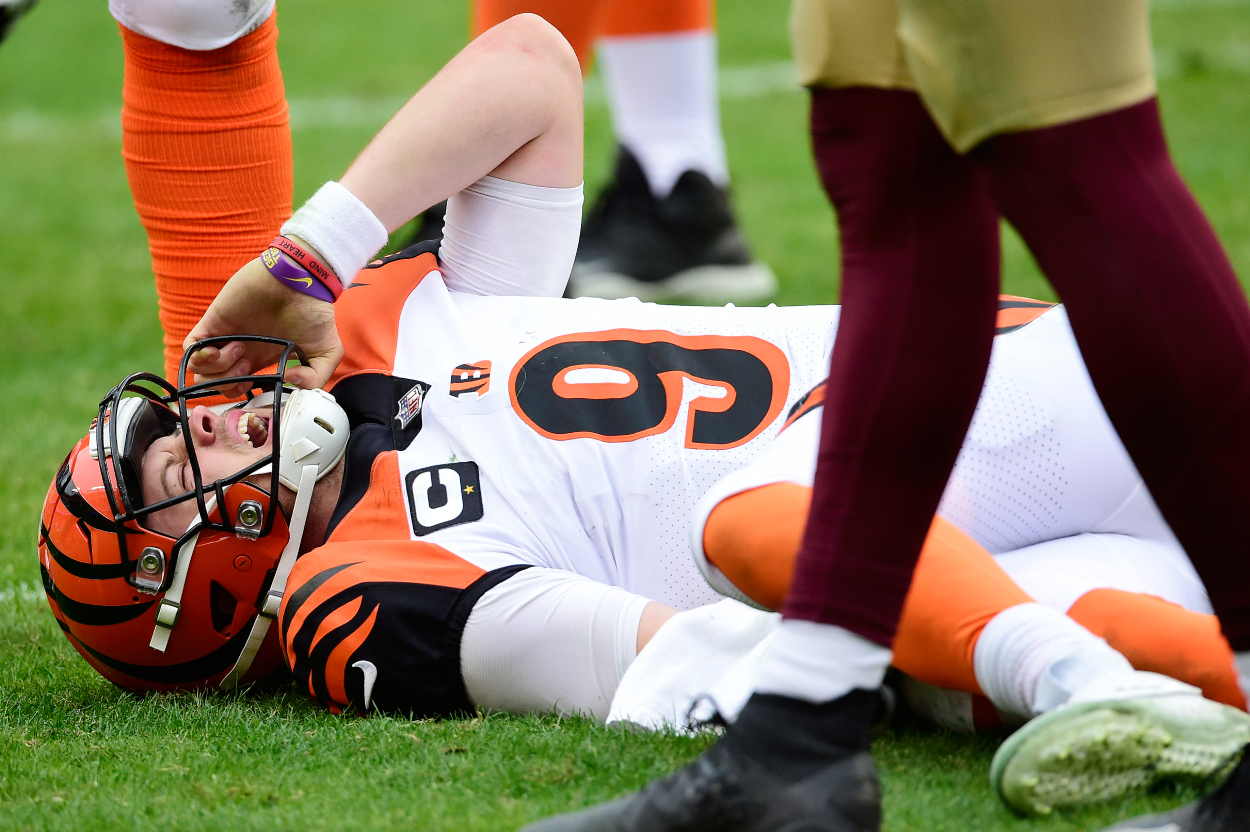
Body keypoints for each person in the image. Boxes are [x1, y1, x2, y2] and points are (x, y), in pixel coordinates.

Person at [40, 13, 1250, 820]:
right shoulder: (352, 596)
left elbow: (529, 64)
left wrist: (315, 253)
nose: (202, 422)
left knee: (766, 524)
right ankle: (1112, 677)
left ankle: (1072, 683)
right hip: (983, 539)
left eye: (173, 421)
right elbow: (683, 649)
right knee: (912, 596)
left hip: (1012, 402)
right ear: (192, 586)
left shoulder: (381, 324)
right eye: (173, 467)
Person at [521, 0, 1250, 826]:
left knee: (1070, 137)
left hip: (1052, 433)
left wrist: (335, 247)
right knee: (885, 143)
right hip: (1062, 498)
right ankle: (801, 734)